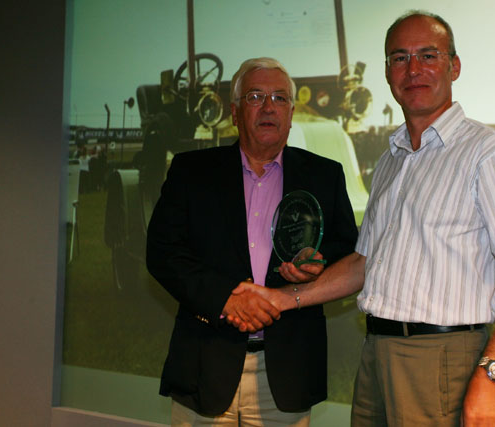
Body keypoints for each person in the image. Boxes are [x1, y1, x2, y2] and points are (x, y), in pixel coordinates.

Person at [230, 11, 495, 426]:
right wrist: (280, 298)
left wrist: (492, 374)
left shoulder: (488, 151)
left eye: (428, 55)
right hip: (376, 353)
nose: (413, 69)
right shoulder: (391, 160)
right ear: (387, 72)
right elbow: (363, 265)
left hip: (440, 357)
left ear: (454, 66)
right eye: (400, 58)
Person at [146, 57, 358, 426]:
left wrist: (316, 264)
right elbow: (163, 253)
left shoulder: (325, 175)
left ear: (291, 113)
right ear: (234, 112)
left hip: (288, 374)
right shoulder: (192, 172)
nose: (268, 107)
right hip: (205, 367)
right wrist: (226, 299)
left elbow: (347, 254)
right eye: (255, 96)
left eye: (280, 98)